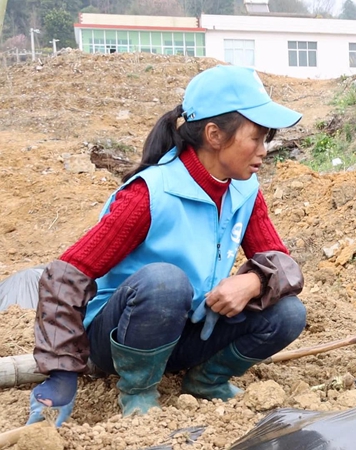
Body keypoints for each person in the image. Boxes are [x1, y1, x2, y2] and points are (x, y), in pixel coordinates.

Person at [27, 65, 307, 427]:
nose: (264, 150)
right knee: (166, 282)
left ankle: (206, 380)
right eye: (256, 137)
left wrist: (254, 280)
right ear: (214, 135)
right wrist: (62, 374)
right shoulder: (150, 194)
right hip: (120, 337)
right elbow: (66, 275)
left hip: (187, 331)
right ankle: (139, 390)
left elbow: (280, 261)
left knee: (289, 314)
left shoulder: (243, 189)